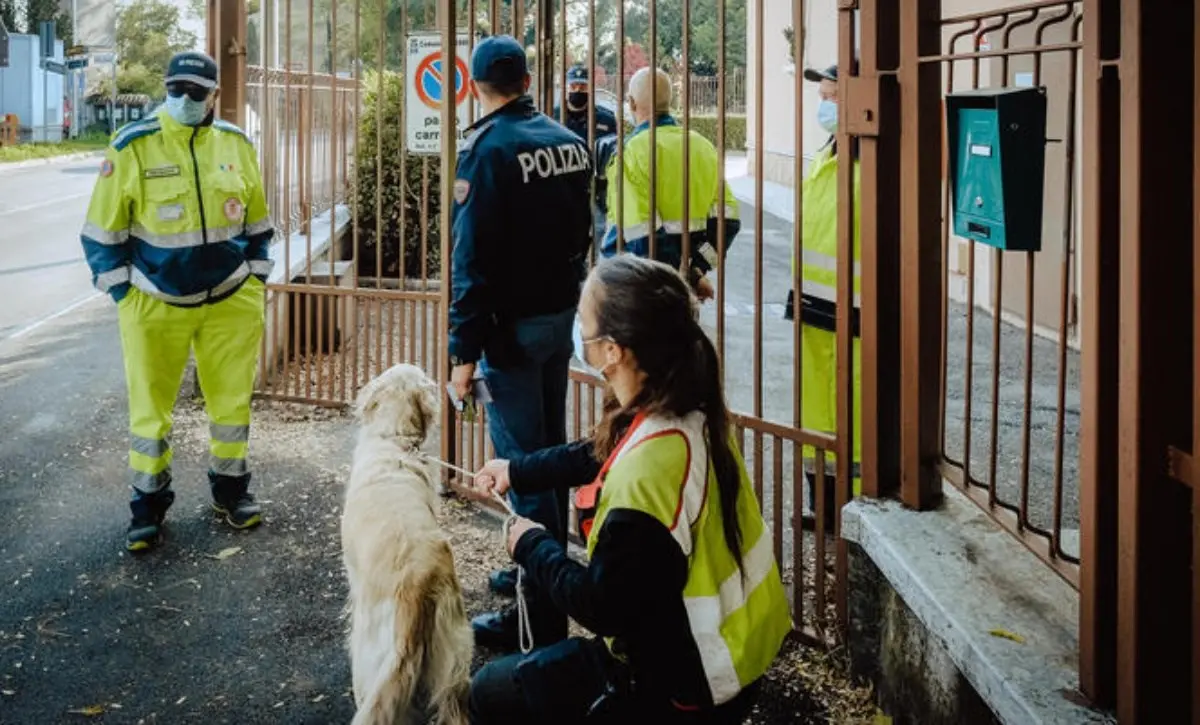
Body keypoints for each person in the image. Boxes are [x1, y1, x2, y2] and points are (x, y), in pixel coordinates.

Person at [467, 255, 792, 724]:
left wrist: (531, 544)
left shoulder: (645, 481)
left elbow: (601, 607)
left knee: (488, 693)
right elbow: (595, 452)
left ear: (614, 350)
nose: (579, 334)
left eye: (584, 323)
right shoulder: (687, 403)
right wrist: (515, 471)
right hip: (740, 649)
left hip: (689, 683)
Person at [79, 50, 275, 552]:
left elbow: (257, 224)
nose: (184, 99)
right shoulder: (133, 145)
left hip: (230, 301)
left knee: (231, 406)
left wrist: (255, 278)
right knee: (150, 413)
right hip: (154, 306)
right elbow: (102, 234)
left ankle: (231, 493)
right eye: (176, 90)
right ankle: (147, 508)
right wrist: (125, 293)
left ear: (215, 96)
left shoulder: (235, 144)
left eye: (195, 91)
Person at [447, 35, 594, 651]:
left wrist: (462, 355)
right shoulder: (570, 141)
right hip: (558, 319)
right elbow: (586, 229)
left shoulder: (485, 150)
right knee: (547, 454)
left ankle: (538, 617)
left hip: (509, 332)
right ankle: (538, 561)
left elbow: (471, 261)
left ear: (477, 85)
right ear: (528, 79)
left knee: (523, 468)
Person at [786, 63, 862, 525]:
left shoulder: (870, 162)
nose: (824, 105)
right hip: (813, 307)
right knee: (816, 412)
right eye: (823, 95)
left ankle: (854, 509)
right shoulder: (827, 153)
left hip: (853, 312)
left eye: (832, 96)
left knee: (851, 411)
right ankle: (825, 503)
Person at [599, 67, 741, 301]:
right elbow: (729, 222)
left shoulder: (631, 152)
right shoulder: (703, 147)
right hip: (682, 291)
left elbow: (644, 237)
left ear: (632, 103)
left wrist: (682, 278)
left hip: (634, 286)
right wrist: (694, 271)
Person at [552, 64, 618, 245]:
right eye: (573, 86)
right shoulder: (552, 116)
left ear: (590, 89)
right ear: (566, 88)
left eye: (582, 87)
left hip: (596, 189)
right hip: (563, 186)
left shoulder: (606, 118)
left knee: (599, 236)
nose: (578, 90)